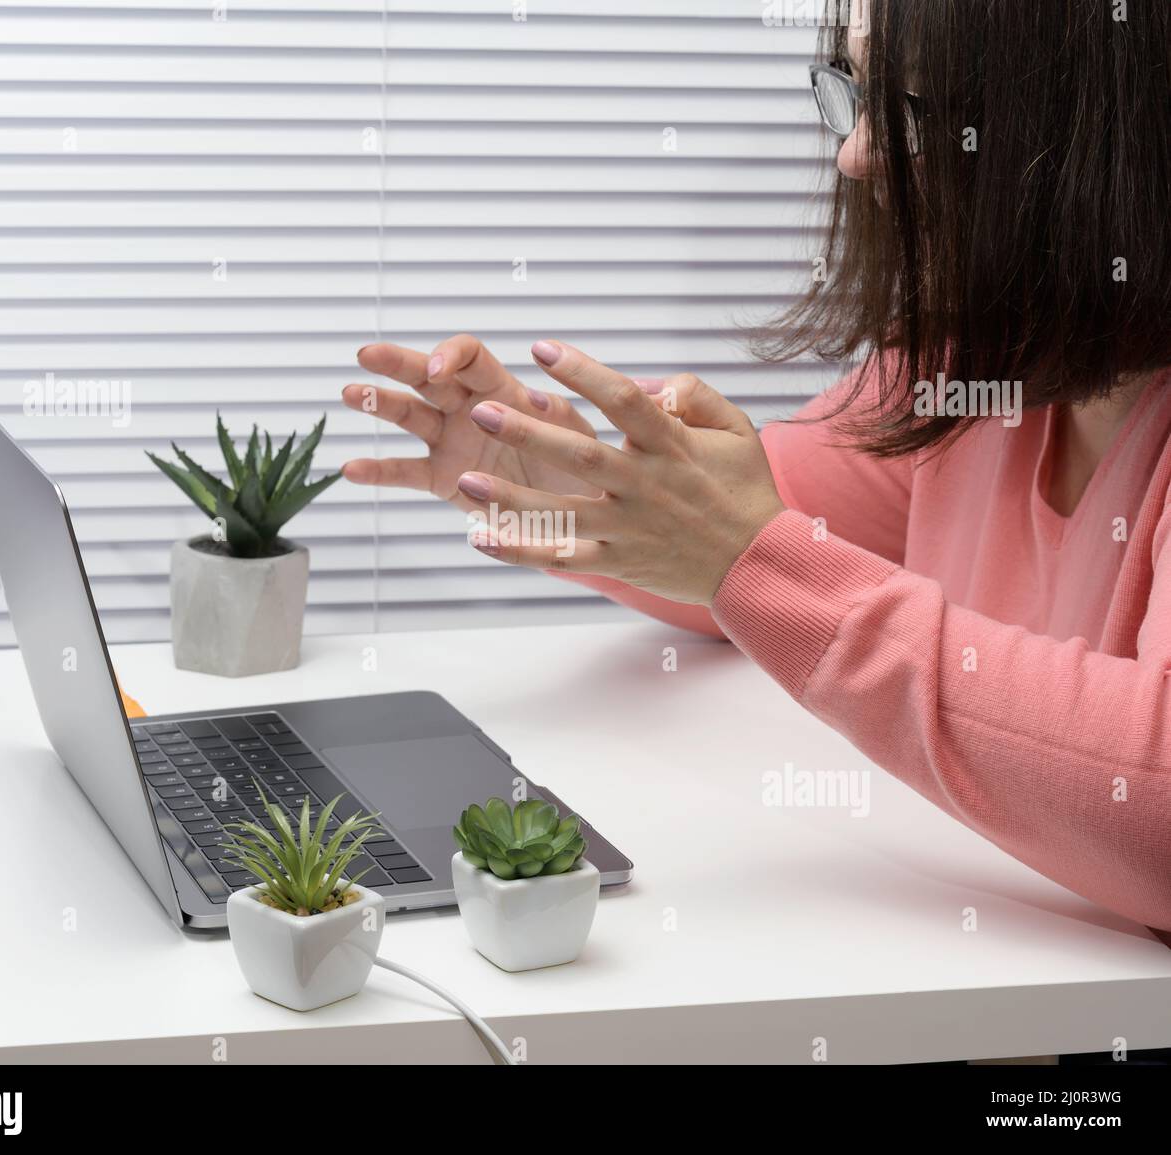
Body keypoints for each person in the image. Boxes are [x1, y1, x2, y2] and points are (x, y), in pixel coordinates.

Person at [339, 0, 1171, 935]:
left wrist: (751, 558)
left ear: (1106, 128)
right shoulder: (963, 373)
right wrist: (548, 478)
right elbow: (750, 537)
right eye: (857, 92)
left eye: (920, 110)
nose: (858, 154)